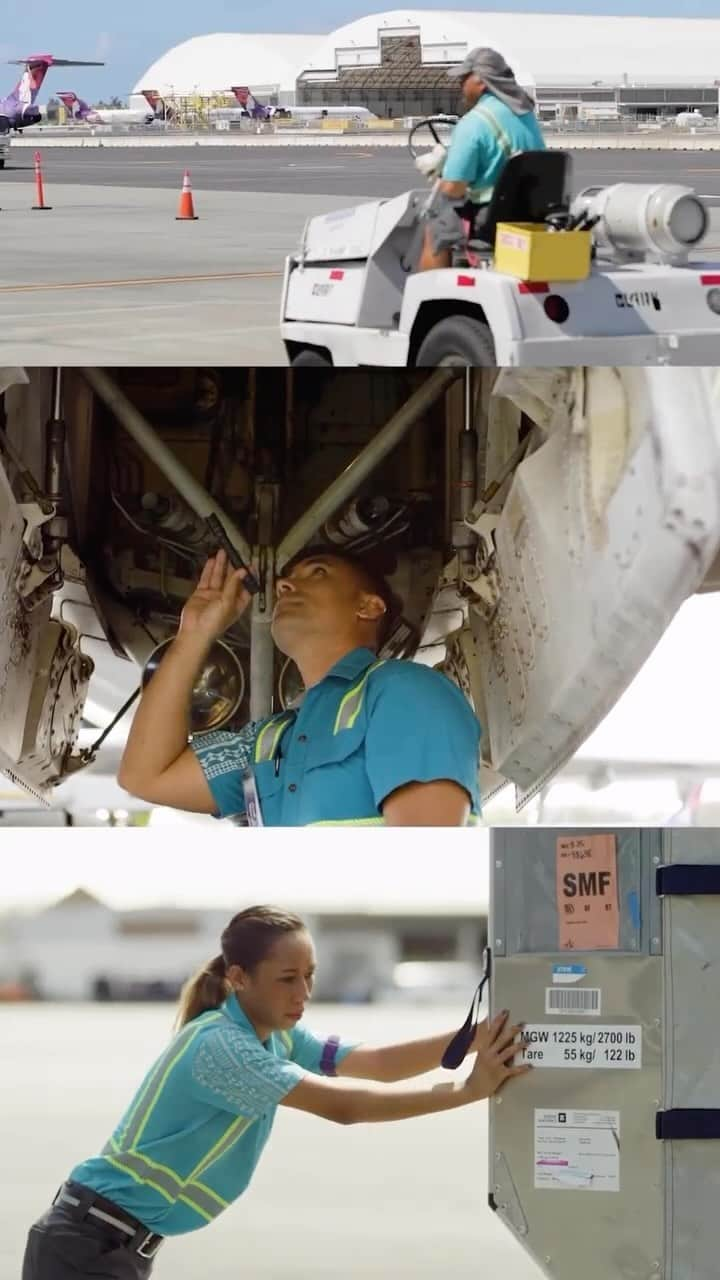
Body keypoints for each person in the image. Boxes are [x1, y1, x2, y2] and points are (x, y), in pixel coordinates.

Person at [22, 906, 529, 1279]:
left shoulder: (276, 1035)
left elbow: (375, 1064)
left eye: (309, 977)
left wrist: (476, 1036)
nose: (303, 994)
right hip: (85, 1245)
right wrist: (467, 1090)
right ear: (238, 978)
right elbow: (345, 1107)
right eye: (288, 979)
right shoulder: (223, 1047)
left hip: (113, 1245)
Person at [118, 547, 483, 826]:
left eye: (318, 572)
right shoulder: (270, 741)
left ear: (369, 607)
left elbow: (423, 865)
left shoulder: (406, 692)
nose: (284, 584)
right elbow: (146, 775)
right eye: (285, 580)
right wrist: (195, 632)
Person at [415, 47, 546, 271]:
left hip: (492, 216)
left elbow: (452, 189)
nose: (460, 84)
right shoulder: (525, 114)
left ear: (481, 81)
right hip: (531, 211)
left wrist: (441, 172)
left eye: (465, 77)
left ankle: (429, 296)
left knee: (437, 222)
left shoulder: (473, 122)